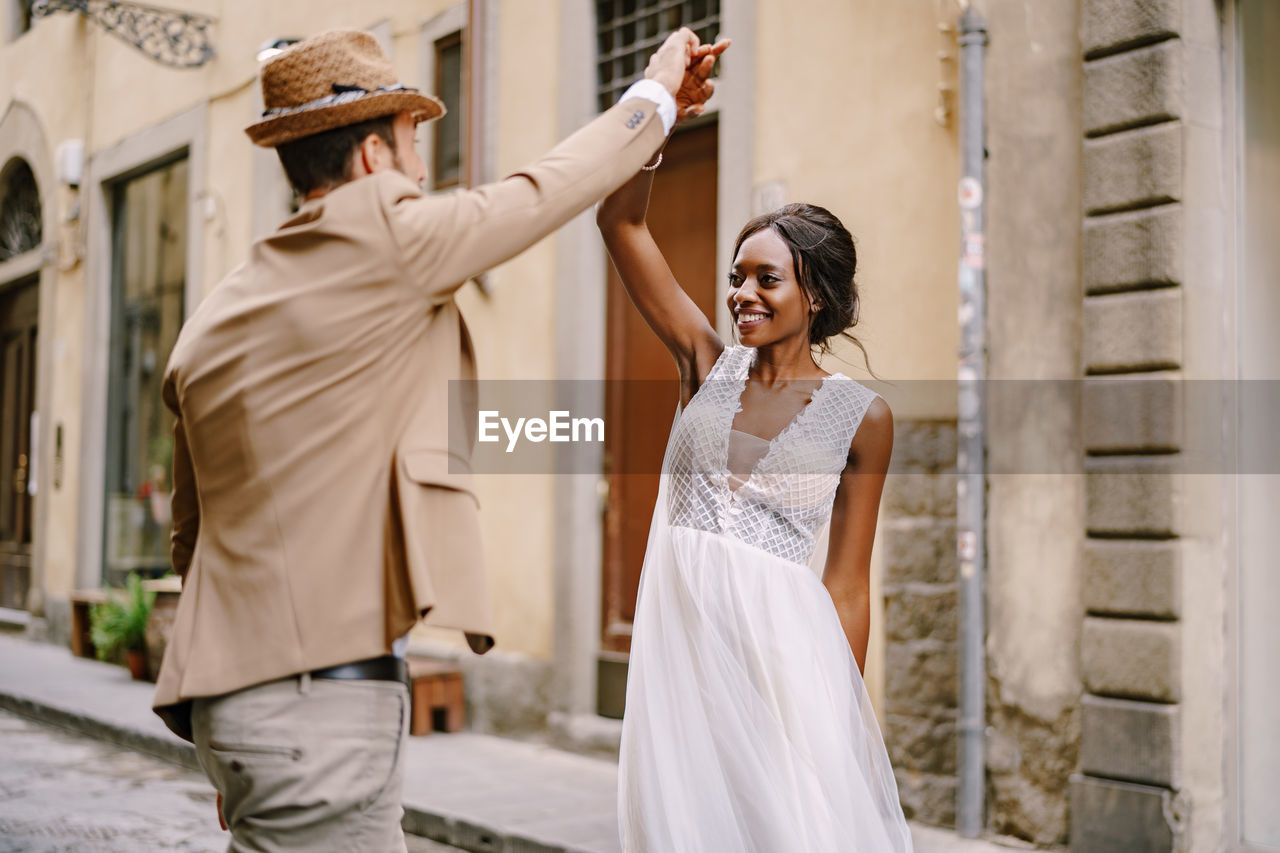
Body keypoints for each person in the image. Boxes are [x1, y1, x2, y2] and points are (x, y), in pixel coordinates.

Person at [151, 26, 723, 851]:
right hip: (321, 709)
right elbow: (541, 191)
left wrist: (243, 740)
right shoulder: (386, 242)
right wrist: (657, 94)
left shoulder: (216, 316)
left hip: (240, 711)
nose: (424, 172)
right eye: (416, 146)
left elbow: (190, 536)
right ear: (375, 157)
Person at [597, 110, 914, 850]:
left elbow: (847, 583)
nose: (741, 292)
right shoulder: (705, 365)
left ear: (817, 298)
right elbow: (621, 225)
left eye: (766, 278)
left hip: (784, 673)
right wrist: (660, 115)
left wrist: (836, 717)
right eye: (736, 276)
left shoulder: (862, 418)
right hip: (684, 662)